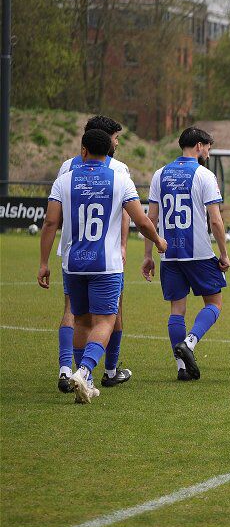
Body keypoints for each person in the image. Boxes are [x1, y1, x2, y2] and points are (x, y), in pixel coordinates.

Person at [38, 129, 166, 403]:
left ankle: (86, 382)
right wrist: (158, 241)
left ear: (83, 151)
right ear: (109, 151)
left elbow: (50, 222)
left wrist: (44, 263)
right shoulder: (120, 179)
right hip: (106, 265)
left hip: (73, 264)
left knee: (81, 320)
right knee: (105, 320)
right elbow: (141, 221)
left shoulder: (64, 180)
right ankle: (84, 371)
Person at [143, 127, 230, 381]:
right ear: (199, 146)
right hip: (199, 253)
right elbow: (215, 220)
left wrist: (148, 255)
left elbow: (150, 218)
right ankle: (190, 343)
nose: (208, 154)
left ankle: (181, 368)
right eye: (208, 148)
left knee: (177, 310)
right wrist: (224, 253)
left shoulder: (160, 174)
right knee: (214, 304)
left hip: (168, 253)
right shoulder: (204, 175)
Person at [54, 116, 133, 393]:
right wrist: (123, 246)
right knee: (111, 313)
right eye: (115, 138)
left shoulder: (67, 168)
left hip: (72, 253)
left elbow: (55, 216)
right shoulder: (118, 170)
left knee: (73, 312)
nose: (117, 143)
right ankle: (108, 371)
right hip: (105, 255)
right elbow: (127, 213)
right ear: (106, 139)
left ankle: (66, 369)